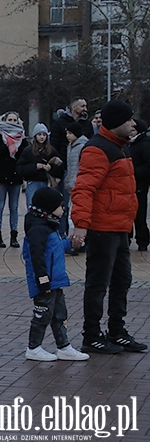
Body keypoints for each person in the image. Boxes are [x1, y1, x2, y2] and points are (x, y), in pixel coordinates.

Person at [70, 99, 147, 354]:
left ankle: (116, 331)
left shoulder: (121, 147)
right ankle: (91, 334)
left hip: (120, 227)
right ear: (116, 123)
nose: (133, 123)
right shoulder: (98, 149)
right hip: (103, 228)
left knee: (122, 280)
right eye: (128, 120)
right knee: (98, 283)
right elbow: (83, 188)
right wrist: (81, 225)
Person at [21, 187, 90, 362]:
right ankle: (33, 347)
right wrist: (43, 281)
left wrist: (74, 244)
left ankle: (64, 346)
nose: (63, 209)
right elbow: (36, 258)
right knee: (43, 314)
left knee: (60, 314)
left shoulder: (50, 226)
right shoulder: (38, 229)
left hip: (56, 281)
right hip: (45, 283)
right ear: (48, 208)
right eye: (60, 206)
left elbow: (57, 247)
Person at [0, 111, 26, 249]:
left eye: (14, 120)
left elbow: (24, 155)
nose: (12, 122)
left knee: (14, 207)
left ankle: (14, 236)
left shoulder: (21, 137)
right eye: (9, 119)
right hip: (0, 176)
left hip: (15, 177)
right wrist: (8, 146)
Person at [16, 123, 64, 209]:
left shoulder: (52, 151)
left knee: (47, 208)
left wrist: (51, 168)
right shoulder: (28, 151)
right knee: (32, 208)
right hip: (33, 182)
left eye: (44, 135)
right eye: (39, 134)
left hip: (47, 183)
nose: (42, 137)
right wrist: (35, 167)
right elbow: (20, 168)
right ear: (35, 136)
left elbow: (60, 168)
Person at [62, 123, 89, 247]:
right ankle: (72, 240)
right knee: (71, 214)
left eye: (70, 133)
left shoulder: (82, 146)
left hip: (78, 184)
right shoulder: (70, 146)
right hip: (71, 184)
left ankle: (77, 242)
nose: (67, 136)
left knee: (75, 214)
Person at [129, 120, 150, 251]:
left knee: (140, 213)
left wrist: (133, 171)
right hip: (129, 183)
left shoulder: (144, 145)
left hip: (140, 183)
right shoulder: (130, 144)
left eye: (132, 130)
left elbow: (148, 166)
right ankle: (128, 237)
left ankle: (142, 240)